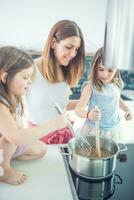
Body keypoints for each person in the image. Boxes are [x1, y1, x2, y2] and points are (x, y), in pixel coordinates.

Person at [0, 46, 70, 185]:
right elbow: (16, 138)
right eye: (25, 77)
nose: (30, 81)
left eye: (30, 77)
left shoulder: (12, 97)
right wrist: (53, 125)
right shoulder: (0, 106)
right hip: (10, 141)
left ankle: (5, 156)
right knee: (12, 137)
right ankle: (4, 170)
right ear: (5, 77)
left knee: (41, 150)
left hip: (8, 144)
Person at [25, 19, 85, 144]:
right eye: (69, 47)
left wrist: (84, 100)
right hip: (36, 140)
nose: (73, 54)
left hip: (64, 136)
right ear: (53, 43)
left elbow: (59, 105)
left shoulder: (67, 71)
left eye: (76, 49)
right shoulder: (30, 69)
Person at [75, 47, 133, 142]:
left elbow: (116, 99)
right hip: (95, 129)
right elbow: (78, 109)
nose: (105, 74)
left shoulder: (116, 84)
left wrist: (127, 110)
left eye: (110, 71)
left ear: (117, 70)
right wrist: (88, 114)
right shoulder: (90, 87)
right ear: (94, 67)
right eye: (101, 69)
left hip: (114, 128)